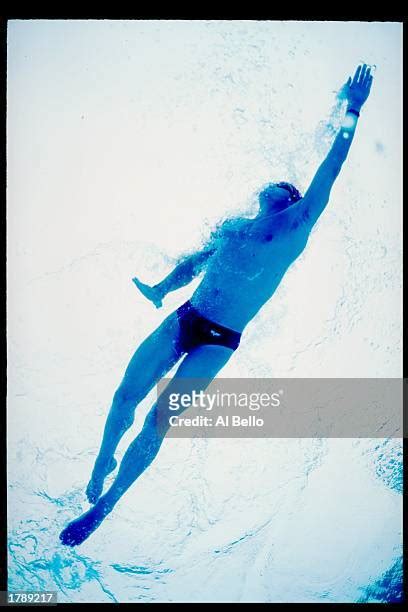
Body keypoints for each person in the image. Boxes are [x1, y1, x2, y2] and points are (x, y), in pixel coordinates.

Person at [59, 64, 373, 546]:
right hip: (185, 316)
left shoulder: (295, 224)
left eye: (279, 186)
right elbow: (196, 260)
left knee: (158, 420)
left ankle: (107, 506)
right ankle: (104, 456)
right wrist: (163, 287)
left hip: (219, 341)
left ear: (287, 197)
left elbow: (331, 166)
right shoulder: (232, 228)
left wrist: (352, 109)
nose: (269, 186)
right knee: (126, 393)